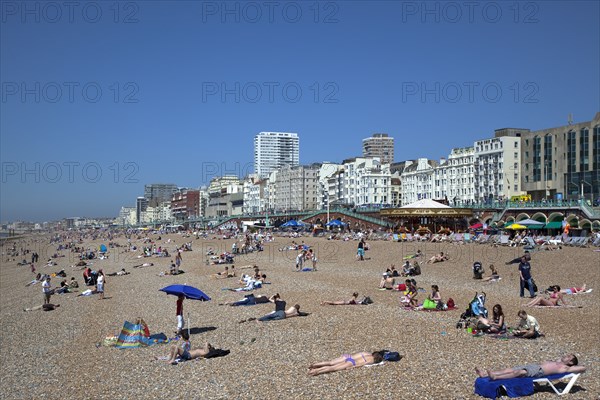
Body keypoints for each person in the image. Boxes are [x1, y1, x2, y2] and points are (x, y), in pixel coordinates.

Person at [475, 354, 586, 380]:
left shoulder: (566, 368)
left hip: (539, 371)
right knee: (510, 369)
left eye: (569, 357)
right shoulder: (558, 361)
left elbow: (583, 368)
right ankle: (484, 374)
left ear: (571, 363)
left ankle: (495, 377)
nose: (566, 356)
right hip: (534, 366)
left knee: (521, 372)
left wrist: (573, 363)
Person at [308, 351, 386, 376]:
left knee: (330, 362)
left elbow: (357, 353)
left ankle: (315, 365)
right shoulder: (371, 360)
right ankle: (316, 371)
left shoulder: (366, 353)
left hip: (349, 357)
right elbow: (361, 364)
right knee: (333, 368)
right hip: (352, 362)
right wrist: (352, 367)